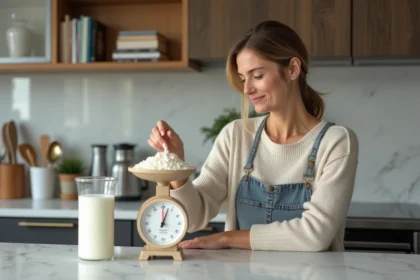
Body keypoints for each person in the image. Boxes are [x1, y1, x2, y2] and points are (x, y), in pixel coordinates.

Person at [147, 20, 359, 252]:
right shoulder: (236, 135)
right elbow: (194, 217)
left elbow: (314, 235)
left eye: (257, 76)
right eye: (243, 78)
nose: (247, 89)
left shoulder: (336, 141)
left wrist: (226, 238)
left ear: (292, 69)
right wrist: (177, 165)